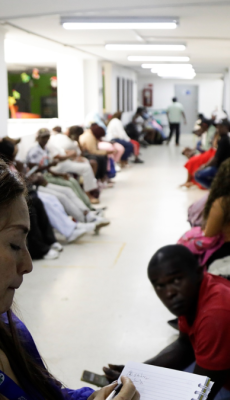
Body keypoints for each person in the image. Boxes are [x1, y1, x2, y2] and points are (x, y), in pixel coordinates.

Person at [0, 158, 139, 400]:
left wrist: (88, 398)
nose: (28, 265)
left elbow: (48, 395)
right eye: (14, 244)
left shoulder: (11, 329)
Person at [104, 245, 230, 400]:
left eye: (176, 280)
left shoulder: (216, 315)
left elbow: (200, 394)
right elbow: (185, 346)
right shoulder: (196, 294)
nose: (169, 293)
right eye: (160, 285)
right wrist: (137, 372)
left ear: (199, 273)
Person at [26, 128, 93, 209]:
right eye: (43, 137)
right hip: (40, 178)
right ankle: (83, 209)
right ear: (38, 138)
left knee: (73, 181)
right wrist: (50, 165)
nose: (45, 139)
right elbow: (33, 169)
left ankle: (87, 205)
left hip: (48, 174)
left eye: (47, 137)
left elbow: (47, 168)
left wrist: (60, 174)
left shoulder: (45, 148)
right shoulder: (34, 150)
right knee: (69, 186)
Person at [47, 126, 99, 203]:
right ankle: (87, 194)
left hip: (65, 161)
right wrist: (71, 154)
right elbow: (62, 156)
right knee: (86, 167)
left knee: (88, 163)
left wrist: (72, 154)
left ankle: (88, 189)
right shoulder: (69, 143)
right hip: (61, 164)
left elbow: (67, 152)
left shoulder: (59, 137)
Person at [194, 120, 230, 189]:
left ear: (226, 127)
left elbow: (215, 158)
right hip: (227, 166)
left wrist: (204, 166)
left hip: (221, 168)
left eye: (220, 127)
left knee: (198, 175)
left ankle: (214, 189)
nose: (218, 129)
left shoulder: (224, 140)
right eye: (217, 127)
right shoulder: (229, 138)